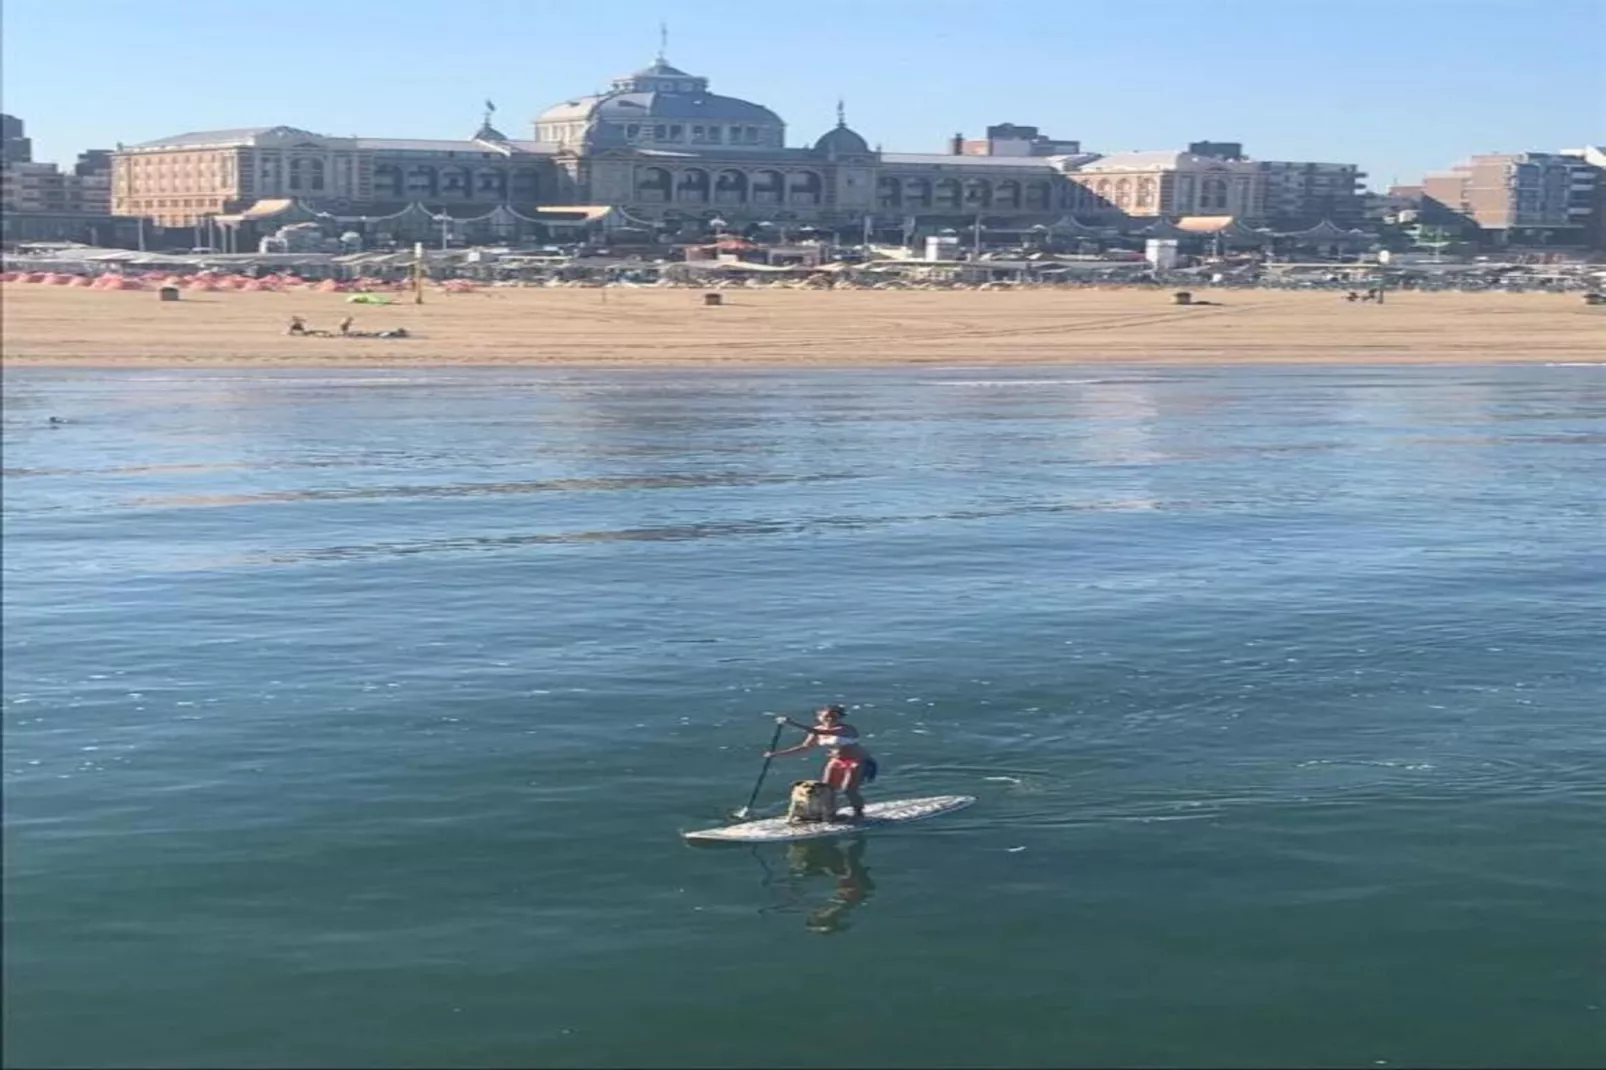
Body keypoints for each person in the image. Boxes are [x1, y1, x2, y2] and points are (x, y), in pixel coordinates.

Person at [766, 704, 878, 820]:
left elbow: (819, 732)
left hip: (856, 761)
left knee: (848, 789)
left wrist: (791, 723)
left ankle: (859, 813)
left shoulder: (845, 729)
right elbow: (804, 747)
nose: (830, 719)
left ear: (840, 718)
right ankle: (830, 813)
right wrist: (776, 754)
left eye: (834, 717)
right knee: (827, 789)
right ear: (819, 717)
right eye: (826, 716)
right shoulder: (817, 730)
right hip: (837, 760)